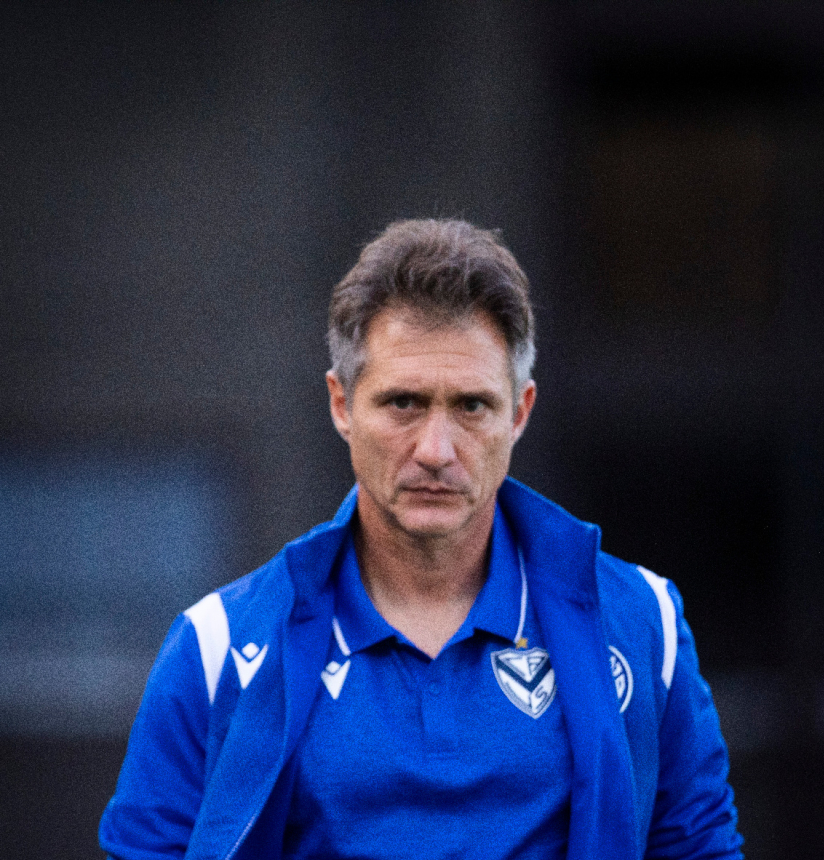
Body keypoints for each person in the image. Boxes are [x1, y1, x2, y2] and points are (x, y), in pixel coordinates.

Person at [100, 219, 743, 860]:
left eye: (472, 406)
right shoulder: (218, 645)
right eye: (404, 403)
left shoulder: (641, 623)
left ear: (519, 412)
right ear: (341, 404)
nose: (436, 450)